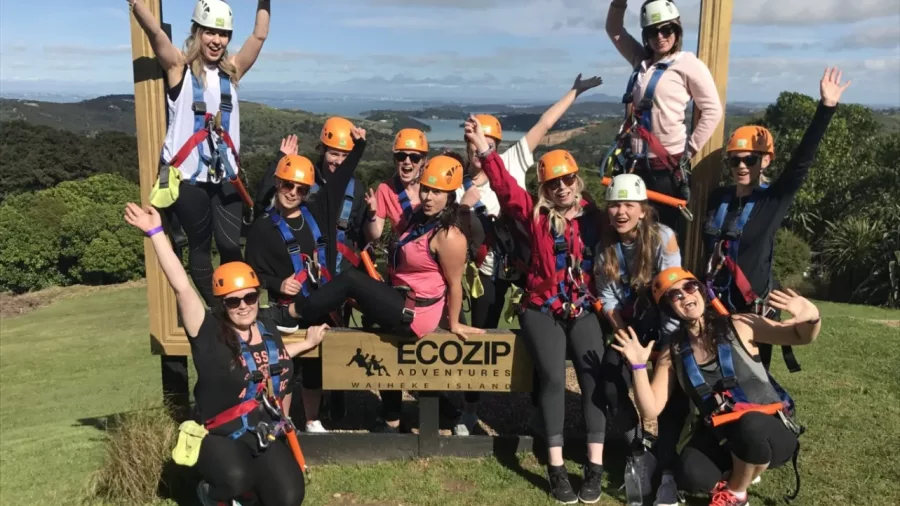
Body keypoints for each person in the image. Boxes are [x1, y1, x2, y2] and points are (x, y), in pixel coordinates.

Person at [124, 202, 327, 506]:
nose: (243, 305)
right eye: (233, 302)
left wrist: (306, 344)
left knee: (289, 496)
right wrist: (155, 233)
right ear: (222, 304)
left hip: (260, 433)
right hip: (217, 436)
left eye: (249, 297)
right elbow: (181, 286)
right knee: (235, 478)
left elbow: (270, 357)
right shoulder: (207, 332)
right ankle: (208, 494)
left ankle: (249, 491)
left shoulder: (266, 326)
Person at [453, 74, 603, 436]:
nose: (477, 150)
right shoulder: (458, 184)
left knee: (540, 334)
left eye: (484, 144)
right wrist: (462, 208)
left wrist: (574, 92)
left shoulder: (513, 161)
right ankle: (471, 408)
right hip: (488, 268)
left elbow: (545, 123)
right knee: (481, 334)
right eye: (473, 144)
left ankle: (540, 405)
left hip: (532, 266)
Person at [467, 116, 607, 504]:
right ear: (544, 187)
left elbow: (631, 223)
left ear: (577, 181)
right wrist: (484, 150)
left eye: (567, 181)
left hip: (581, 305)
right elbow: (506, 188)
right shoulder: (534, 216)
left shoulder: (595, 220)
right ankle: (557, 466)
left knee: (592, 376)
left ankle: (594, 467)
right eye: (553, 183)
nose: (561, 188)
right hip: (542, 306)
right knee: (550, 376)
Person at [290, 155, 484, 431]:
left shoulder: (450, 236)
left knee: (349, 281)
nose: (428, 197)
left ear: (451, 195)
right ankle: (391, 413)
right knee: (360, 309)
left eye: (437, 192)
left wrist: (453, 323)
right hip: (402, 298)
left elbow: (454, 284)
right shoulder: (421, 219)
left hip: (415, 312)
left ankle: (293, 313)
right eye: (426, 189)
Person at [613, 267, 821, 506]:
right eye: (675, 295)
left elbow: (799, 336)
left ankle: (735, 494)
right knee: (691, 473)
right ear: (669, 308)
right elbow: (651, 409)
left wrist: (812, 318)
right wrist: (638, 367)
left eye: (689, 287)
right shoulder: (673, 352)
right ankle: (743, 469)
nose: (685, 296)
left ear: (701, 291)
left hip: (768, 429)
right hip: (724, 437)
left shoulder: (741, 324)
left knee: (750, 427)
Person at [705, 67, 849, 372]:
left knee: (752, 382)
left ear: (765, 160)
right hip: (714, 305)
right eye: (735, 160)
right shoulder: (718, 198)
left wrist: (826, 109)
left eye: (750, 160)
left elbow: (801, 164)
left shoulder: (772, 201)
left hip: (753, 311)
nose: (742, 166)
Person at [130, 0, 270, 305]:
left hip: (224, 179)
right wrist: (136, 5)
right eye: (210, 32)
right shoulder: (178, 68)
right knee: (201, 247)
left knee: (231, 245)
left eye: (223, 34)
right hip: (189, 180)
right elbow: (155, 33)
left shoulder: (231, 72)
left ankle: (241, 303)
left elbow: (258, 37)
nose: (217, 41)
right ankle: (220, 310)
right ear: (197, 32)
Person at [593, 173, 684, 505]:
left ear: (643, 209)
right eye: (615, 204)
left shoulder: (664, 239)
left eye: (628, 205)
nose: (621, 211)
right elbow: (609, 301)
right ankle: (638, 445)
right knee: (609, 383)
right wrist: (627, 341)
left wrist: (665, 348)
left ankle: (667, 464)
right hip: (630, 327)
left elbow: (672, 292)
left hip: (665, 325)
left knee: (672, 398)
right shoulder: (606, 250)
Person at [605, 0, 723, 230]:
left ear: (676, 31)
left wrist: (690, 150)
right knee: (632, 235)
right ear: (645, 36)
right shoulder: (642, 61)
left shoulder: (687, 63)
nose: (659, 36)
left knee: (662, 235)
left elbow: (712, 109)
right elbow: (614, 30)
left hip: (665, 170)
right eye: (652, 31)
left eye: (666, 29)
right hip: (634, 165)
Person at [364, 128, 431, 242]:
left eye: (414, 157)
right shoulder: (385, 190)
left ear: (423, 161)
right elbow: (374, 235)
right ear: (395, 159)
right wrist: (371, 215)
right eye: (401, 156)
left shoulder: (434, 186)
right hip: (406, 257)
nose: (407, 161)